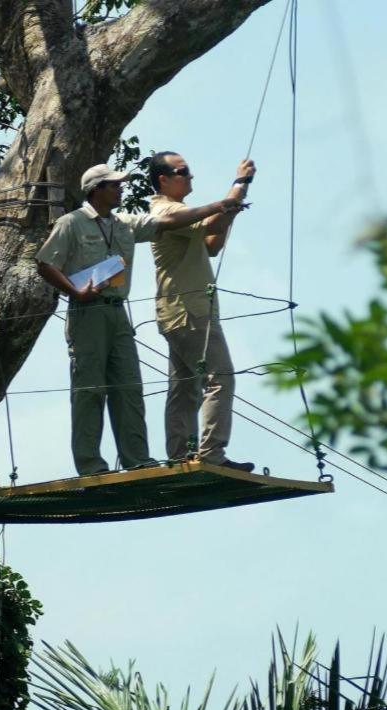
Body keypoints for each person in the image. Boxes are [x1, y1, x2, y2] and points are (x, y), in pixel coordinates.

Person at [35, 163, 246, 476]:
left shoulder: (124, 224)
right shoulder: (72, 223)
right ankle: (91, 465)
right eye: (115, 185)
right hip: (87, 312)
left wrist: (218, 208)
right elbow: (45, 263)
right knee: (90, 389)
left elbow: (168, 220)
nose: (121, 189)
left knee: (129, 387)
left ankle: (137, 460)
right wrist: (74, 292)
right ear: (97, 189)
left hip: (118, 311)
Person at [147, 152, 256, 473]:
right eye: (183, 171)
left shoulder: (180, 212)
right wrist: (240, 184)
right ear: (163, 179)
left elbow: (211, 243)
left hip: (178, 311)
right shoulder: (166, 210)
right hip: (189, 311)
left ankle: (181, 454)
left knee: (185, 387)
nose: (190, 176)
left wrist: (230, 211)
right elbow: (211, 222)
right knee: (220, 378)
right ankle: (211, 454)